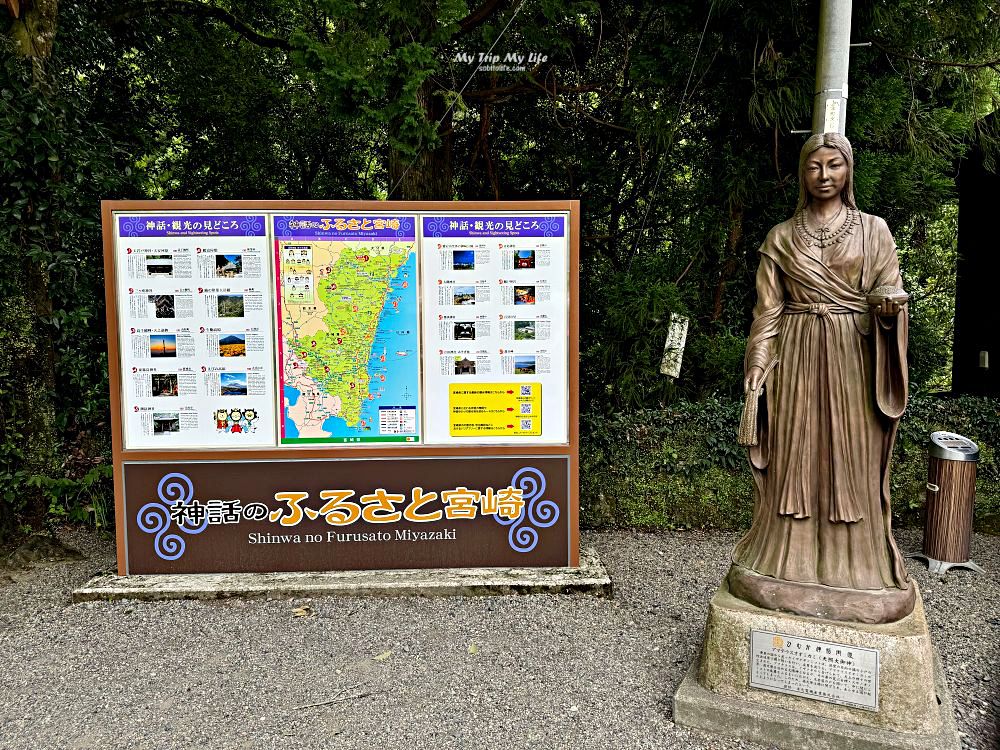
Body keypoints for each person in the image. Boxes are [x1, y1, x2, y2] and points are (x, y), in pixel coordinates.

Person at [730, 133, 913, 624]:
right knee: (795, 454)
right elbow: (767, 310)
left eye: (835, 165)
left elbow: (888, 289)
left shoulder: (874, 231)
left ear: (848, 170)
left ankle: (858, 568)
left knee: (849, 456)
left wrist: (890, 309)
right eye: (815, 166)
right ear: (802, 173)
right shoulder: (781, 237)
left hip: (852, 357)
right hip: (795, 354)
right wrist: (758, 363)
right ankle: (782, 560)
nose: (825, 175)